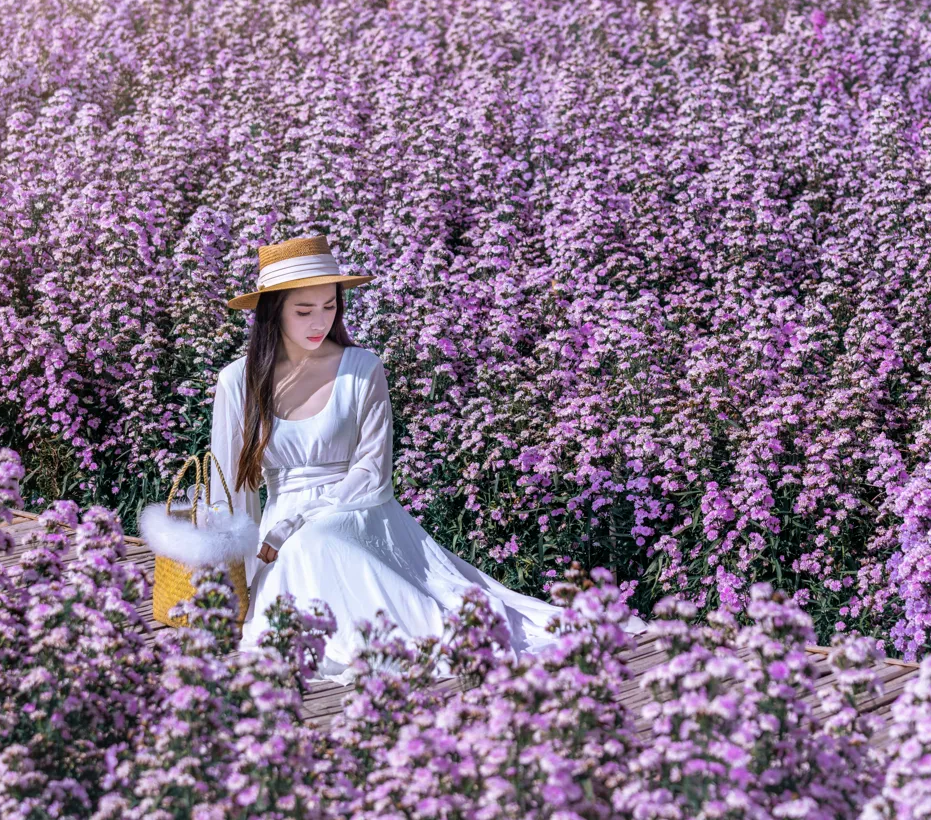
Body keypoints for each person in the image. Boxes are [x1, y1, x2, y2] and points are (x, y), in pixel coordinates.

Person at [208, 234, 646, 683]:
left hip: (356, 508)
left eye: (330, 306)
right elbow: (228, 487)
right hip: (278, 529)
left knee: (314, 543)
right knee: (300, 558)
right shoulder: (238, 381)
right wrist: (231, 573)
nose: (320, 321)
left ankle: (406, 638)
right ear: (273, 311)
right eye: (304, 311)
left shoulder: (361, 367)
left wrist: (297, 523)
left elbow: (372, 472)